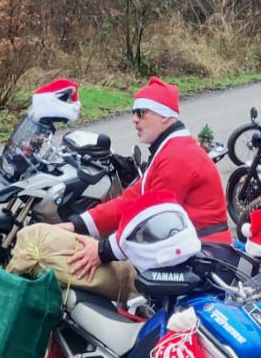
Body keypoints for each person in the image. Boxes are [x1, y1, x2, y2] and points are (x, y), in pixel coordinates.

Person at [67, 77, 231, 280]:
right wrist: (79, 223)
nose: (134, 119)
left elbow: (151, 219)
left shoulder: (177, 156)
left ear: (164, 116)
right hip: (188, 252)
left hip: (205, 258)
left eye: (141, 113)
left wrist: (102, 251)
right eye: (133, 113)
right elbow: (132, 200)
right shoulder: (169, 150)